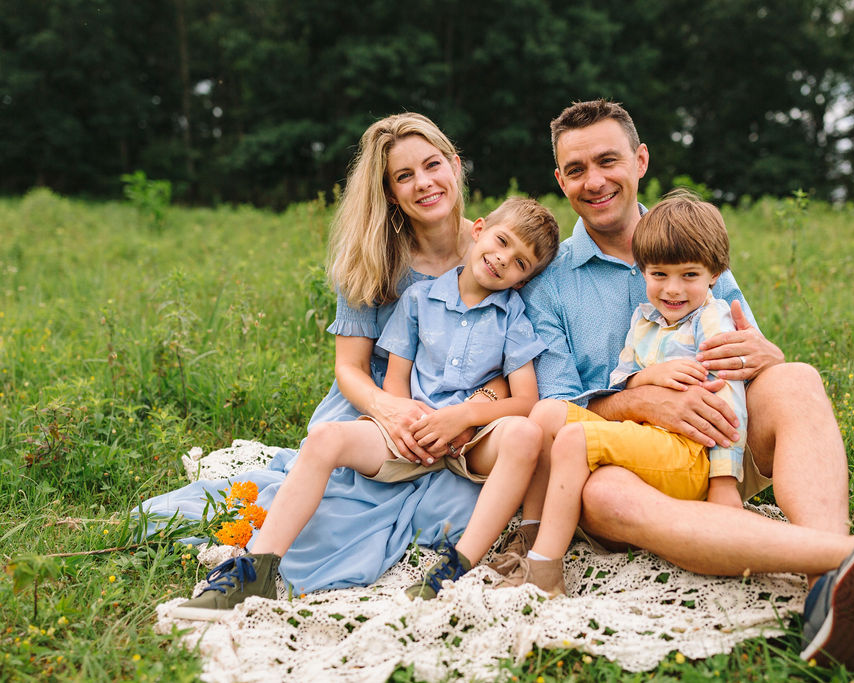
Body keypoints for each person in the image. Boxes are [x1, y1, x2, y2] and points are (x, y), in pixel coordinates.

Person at [508, 99, 854, 672]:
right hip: (625, 461)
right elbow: (555, 404)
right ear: (560, 179)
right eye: (576, 169)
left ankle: (824, 589)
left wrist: (767, 353)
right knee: (603, 491)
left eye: (608, 160)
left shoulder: (690, 236)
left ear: (640, 160)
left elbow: (746, 346)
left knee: (796, 378)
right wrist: (641, 400)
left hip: (719, 437)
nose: (595, 180)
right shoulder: (550, 282)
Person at [140, 113, 501, 601]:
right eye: (403, 176)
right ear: (390, 193)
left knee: (451, 511)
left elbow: (518, 353)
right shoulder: (373, 260)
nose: (424, 183)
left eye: (432, 165)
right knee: (332, 518)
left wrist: (470, 409)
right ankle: (255, 569)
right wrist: (388, 410)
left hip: (464, 410)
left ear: (455, 166)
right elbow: (349, 369)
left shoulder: (497, 248)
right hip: (377, 404)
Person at [171, 196, 560, 619]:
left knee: (526, 433)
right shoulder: (418, 300)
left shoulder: (513, 318)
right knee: (325, 438)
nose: (503, 259)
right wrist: (403, 423)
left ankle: (454, 568)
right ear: (479, 229)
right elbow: (395, 378)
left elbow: (525, 401)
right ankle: (256, 569)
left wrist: (465, 417)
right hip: (409, 427)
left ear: (523, 281)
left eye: (520, 263)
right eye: (502, 241)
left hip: (470, 441)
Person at [492, 190, 747, 596]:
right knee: (545, 414)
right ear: (643, 270)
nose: (672, 289)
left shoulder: (712, 322)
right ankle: (531, 534)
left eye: (689, 276)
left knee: (576, 438)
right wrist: (645, 384)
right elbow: (624, 376)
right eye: (659, 275)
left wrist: (724, 481)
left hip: (691, 453)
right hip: (648, 438)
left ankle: (545, 569)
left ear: (714, 274)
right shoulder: (645, 319)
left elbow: (730, 400)